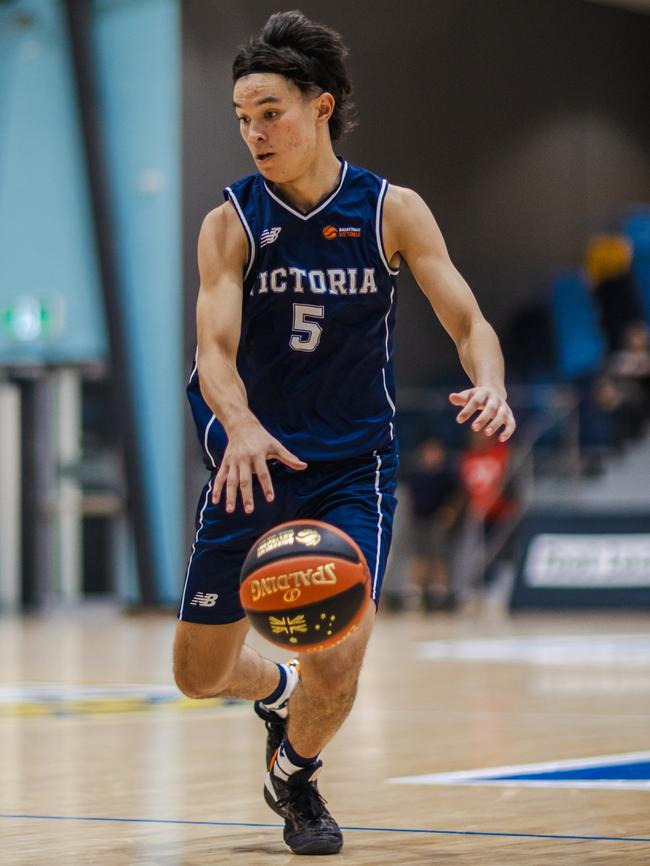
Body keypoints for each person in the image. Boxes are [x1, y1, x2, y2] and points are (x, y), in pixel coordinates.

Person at [173, 10, 516, 856]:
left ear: (321, 107)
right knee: (197, 675)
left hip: (348, 470)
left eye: (271, 113)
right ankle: (275, 685)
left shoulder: (391, 211)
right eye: (242, 118)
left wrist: (492, 381)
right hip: (249, 468)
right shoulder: (231, 225)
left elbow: (467, 317)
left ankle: (295, 776)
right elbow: (212, 355)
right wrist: (242, 426)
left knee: (342, 650)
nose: (254, 132)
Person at [405, 438, 461, 611]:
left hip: (438, 520)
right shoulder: (416, 474)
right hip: (419, 520)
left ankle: (438, 594)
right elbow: (410, 497)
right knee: (419, 556)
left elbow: (457, 496)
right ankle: (415, 594)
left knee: (438, 556)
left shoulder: (446, 475)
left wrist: (449, 512)